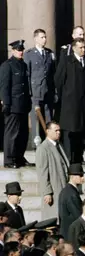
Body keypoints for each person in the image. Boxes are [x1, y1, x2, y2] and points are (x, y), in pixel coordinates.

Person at [54, 38, 85, 164]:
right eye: (80, 48)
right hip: (70, 103)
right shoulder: (67, 61)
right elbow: (59, 80)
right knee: (70, 132)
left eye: (84, 47)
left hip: (83, 103)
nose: (83, 50)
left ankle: (79, 158)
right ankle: (69, 159)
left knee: (81, 133)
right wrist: (64, 96)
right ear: (74, 48)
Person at [0, 40, 31, 168]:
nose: (21, 52)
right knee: (11, 133)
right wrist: (6, 103)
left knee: (23, 133)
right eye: (18, 50)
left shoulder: (23, 65)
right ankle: (9, 159)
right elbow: (4, 86)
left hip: (23, 104)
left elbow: (25, 85)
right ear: (13, 51)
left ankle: (19, 157)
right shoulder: (7, 65)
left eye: (22, 49)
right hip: (13, 104)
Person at [24, 29, 56, 147]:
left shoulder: (49, 53)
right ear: (36, 39)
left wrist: (54, 91)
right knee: (36, 118)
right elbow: (28, 74)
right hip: (35, 91)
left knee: (48, 117)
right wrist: (29, 92)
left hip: (48, 90)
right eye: (42, 37)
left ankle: (48, 142)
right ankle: (36, 143)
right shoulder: (29, 54)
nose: (45, 39)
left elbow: (53, 73)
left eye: (45, 37)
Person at [36, 122, 68, 219]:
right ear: (48, 131)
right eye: (56, 130)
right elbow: (42, 172)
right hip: (54, 189)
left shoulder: (59, 145)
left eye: (59, 130)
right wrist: (47, 192)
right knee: (54, 216)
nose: (58, 133)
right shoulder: (43, 148)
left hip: (63, 186)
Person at [58, 163, 84, 241]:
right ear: (72, 176)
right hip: (71, 234)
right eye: (80, 176)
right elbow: (77, 214)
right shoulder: (71, 193)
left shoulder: (68, 190)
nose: (82, 178)